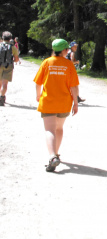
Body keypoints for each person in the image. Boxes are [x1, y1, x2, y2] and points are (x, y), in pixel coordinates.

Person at [34, 39, 80, 172]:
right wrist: (76, 103)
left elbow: (38, 82)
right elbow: (74, 86)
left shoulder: (47, 62)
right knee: (59, 128)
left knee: (50, 130)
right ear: (64, 50)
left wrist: (38, 95)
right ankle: (56, 154)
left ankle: (52, 156)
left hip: (48, 101)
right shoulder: (69, 64)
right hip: (64, 102)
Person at [0, 31, 20, 106]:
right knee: (5, 83)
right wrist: (12, 61)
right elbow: (17, 59)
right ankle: (2, 98)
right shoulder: (13, 47)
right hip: (8, 66)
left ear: (2, 37)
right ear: (10, 38)